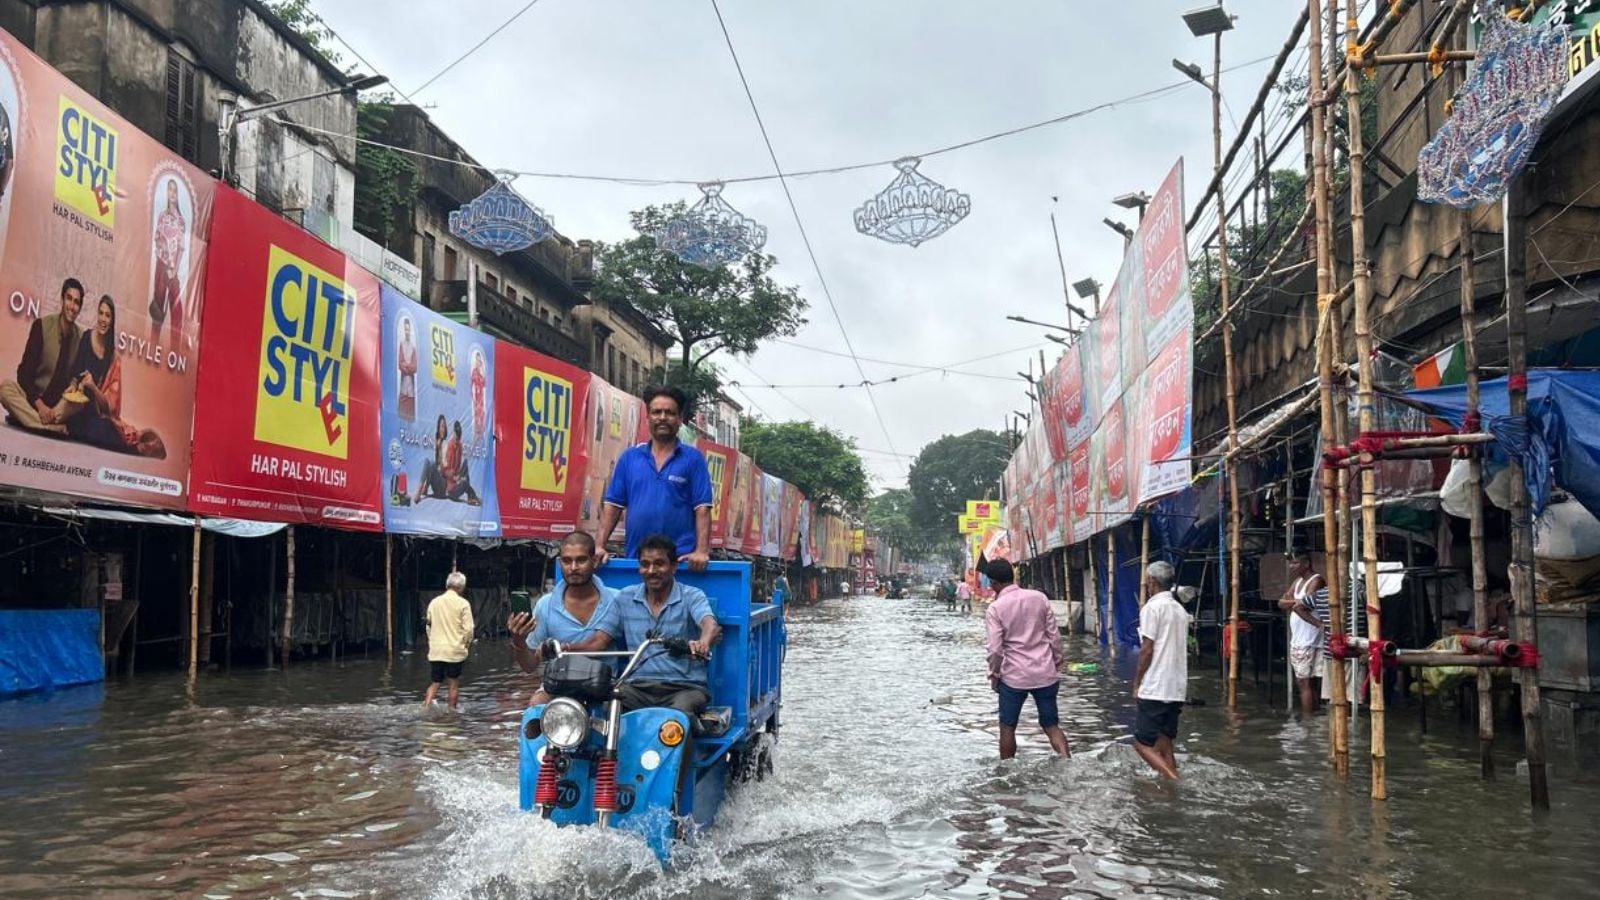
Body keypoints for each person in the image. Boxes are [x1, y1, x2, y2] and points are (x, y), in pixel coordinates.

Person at [603, 534, 721, 718]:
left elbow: (709, 624)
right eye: (645, 564)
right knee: (610, 708)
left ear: (673, 567)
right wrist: (565, 647)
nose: (651, 570)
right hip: (637, 687)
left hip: (684, 688)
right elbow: (601, 637)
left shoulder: (691, 596)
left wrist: (702, 644)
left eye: (659, 564)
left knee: (677, 718)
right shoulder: (624, 597)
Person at [596, 386, 712, 571]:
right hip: (637, 561)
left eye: (670, 413)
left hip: (681, 563)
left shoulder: (693, 459)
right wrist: (599, 546)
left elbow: (702, 509)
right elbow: (613, 505)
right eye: (657, 412)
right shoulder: (629, 458)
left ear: (680, 419)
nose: (663, 417)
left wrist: (701, 551)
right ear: (648, 417)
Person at [507, 531, 618, 705]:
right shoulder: (545, 605)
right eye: (567, 561)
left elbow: (603, 644)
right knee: (536, 705)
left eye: (581, 560)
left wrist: (561, 648)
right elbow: (529, 666)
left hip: (608, 685)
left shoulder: (617, 600)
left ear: (594, 561)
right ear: (560, 564)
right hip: (561, 685)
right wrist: (518, 640)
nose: (573, 567)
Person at [54, 296, 165, 457]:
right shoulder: (86, 338)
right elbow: (75, 373)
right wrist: (73, 385)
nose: (103, 319)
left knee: (101, 430)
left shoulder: (112, 356)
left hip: (96, 414)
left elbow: (109, 407)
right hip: (76, 407)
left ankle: (141, 447)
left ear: (112, 320)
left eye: (108, 315)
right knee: (78, 423)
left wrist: (93, 387)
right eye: (101, 313)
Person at [984, 559, 1071, 760]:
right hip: (1045, 674)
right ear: (1012, 576)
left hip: (1014, 678)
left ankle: (1006, 774)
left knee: (1007, 727)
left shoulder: (995, 608)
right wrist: (1057, 661)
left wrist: (994, 674)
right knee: (1051, 725)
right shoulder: (1039, 598)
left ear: (993, 583)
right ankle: (1067, 761)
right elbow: (1054, 637)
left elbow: (995, 650)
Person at [1, 278, 82, 432]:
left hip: (58, 409)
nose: (72, 306)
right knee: (5, 388)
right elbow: (23, 374)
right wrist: (40, 407)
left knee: (80, 402)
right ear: (62, 300)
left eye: (77, 302)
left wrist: (74, 384)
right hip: (35, 401)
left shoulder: (81, 338)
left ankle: (29, 421)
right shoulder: (42, 326)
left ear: (80, 308)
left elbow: (78, 376)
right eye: (69, 299)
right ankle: (47, 426)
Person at [1133, 561, 1190, 780]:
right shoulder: (1179, 609)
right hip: (1176, 687)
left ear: (1152, 582)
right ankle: (1170, 784)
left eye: (1147, 581)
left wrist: (1137, 682)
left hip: (1156, 686)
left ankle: (1173, 779)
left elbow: (1147, 649)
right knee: (1165, 742)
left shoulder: (1152, 608)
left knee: (1141, 744)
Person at [1279, 550, 1329, 718]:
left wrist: (1295, 603)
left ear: (1306, 564)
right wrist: (1296, 601)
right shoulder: (1298, 582)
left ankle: (1308, 719)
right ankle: (1313, 718)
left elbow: (1306, 604)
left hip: (1310, 638)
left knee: (1305, 682)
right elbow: (1281, 603)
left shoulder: (1316, 581)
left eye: (1295, 563)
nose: (1292, 566)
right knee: (1308, 681)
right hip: (1301, 638)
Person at [424, 571, 475, 712]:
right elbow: (469, 629)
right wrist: (466, 644)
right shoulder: (463, 604)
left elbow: (428, 626)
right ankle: (452, 713)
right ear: (462, 587)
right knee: (453, 683)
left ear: (447, 585)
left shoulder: (434, 602)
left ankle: (425, 708)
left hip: (436, 650)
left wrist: (432, 642)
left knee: (435, 682)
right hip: (455, 650)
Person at [150, 181, 186, 350]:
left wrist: (175, 270)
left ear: (177, 194)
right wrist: (161, 243)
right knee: (158, 308)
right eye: (169, 189)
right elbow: (157, 237)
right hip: (161, 265)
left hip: (173, 270)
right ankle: (153, 345)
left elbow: (181, 248)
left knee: (177, 311)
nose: (172, 193)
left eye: (174, 190)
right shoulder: (162, 216)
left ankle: (175, 351)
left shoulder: (180, 221)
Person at [414, 414, 449, 503]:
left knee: (432, 464)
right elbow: (435, 468)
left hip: (442, 488)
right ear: (438, 428)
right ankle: (424, 488)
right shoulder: (438, 443)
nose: (442, 429)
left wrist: (441, 452)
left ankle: (420, 491)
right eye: (441, 426)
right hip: (436, 486)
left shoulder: (445, 443)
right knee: (427, 461)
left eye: (444, 427)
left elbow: (445, 467)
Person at [444, 420, 480, 504]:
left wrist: (459, 476)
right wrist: (454, 478)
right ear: (454, 434)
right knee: (464, 483)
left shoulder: (459, 446)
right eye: (456, 438)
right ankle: (472, 496)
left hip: (456, 479)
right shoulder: (450, 447)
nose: (457, 441)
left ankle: (470, 497)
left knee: (465, 464)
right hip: (451, 490)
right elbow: (446, 470)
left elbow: (459, 466)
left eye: (459, 438)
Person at [396, 317, 418, 421]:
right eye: (406, 329)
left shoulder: (413, 347)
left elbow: (415, 367)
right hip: (403, 384)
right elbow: (400, 364)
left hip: (411, 387)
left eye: (409, 329)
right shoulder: (401, 345)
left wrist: (407, 366)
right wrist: (409, 366)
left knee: (410, 415)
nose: (407, 332)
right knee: (401, 413)